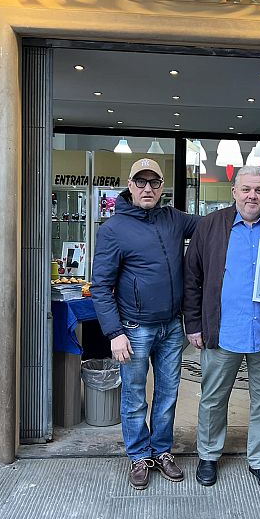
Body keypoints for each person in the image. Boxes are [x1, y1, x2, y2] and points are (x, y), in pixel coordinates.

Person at [91, 158, 199, 490]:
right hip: (134, 329)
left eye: (154, 182)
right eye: (141, 182)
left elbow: (213, 225)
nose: (147, 188)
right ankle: (139, 455)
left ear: (162, 186)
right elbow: (100, 286)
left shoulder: (174, 219)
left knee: (167, 395)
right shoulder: (113, 229)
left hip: (172, 327)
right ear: (130, 185)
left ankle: (162, 450)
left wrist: (251, 208)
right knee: (135, 397)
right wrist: (114, 333)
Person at [183, 166, 260, 492]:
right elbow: (192, 278)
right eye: (246, 189)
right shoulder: (211, 226)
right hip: (223, 331)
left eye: (259, 190)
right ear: (234, 192)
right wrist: (194, 324)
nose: (252, 196)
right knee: (214, 398)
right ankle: (209, 455)